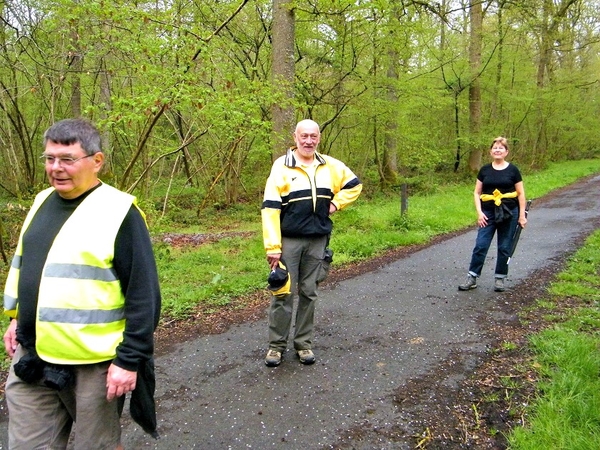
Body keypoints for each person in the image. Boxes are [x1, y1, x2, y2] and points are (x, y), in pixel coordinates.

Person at [3, 118, 162, 449]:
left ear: (97, 161)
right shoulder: (41, 202)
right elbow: (27, 267)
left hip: (94, 365)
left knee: (98, 445)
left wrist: (129, 360)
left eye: (67, 159)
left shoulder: (121, 213)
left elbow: (144, 296)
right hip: (33, 355)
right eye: (49, 158)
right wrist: (16, 317)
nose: (56, 168)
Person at [261, 119, 362, 367]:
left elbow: (354, 185)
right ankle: (276, 347)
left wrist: (336, 203)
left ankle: (303, 344)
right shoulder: (281, 167)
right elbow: (270, 208)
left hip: (317, 240)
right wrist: (273, 246)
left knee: (309, 293)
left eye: (313, 136)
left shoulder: (330, 165)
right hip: (289, 242)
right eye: (304, 136)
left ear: (319, 138)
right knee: (283, 293)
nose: (308, 141)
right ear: (295, 137)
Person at [458, 136, 527, 292]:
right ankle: (472, 277)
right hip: (488, 212)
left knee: (504, 246)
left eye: (501, 148)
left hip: (509, 212)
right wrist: (480, 213)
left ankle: (500, 278)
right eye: (495, 148)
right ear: (490, 151)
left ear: (506, 152)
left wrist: (522, 216)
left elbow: (521, 194)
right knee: (481, 245)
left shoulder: (513, 170)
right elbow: (477, 193)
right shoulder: (484, 170)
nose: (497, 150)